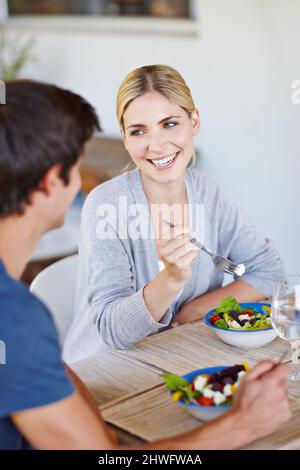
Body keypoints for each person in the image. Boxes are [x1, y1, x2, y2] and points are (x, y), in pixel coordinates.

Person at [0, 80, 291, 451]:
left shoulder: (17, 313)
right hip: (120, 374)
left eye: (170, 124)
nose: (157, 143)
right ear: (51, 182)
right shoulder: (15, 319)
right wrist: (242, 426)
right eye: (77, 161)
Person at [64, 64, 285, 362]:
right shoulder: (107, 204)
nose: (156, 145)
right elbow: (112, 331)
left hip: (179, 358)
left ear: (194, 121)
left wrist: (195, 309)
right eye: (139, 131)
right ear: (125, 137)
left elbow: (269, 272)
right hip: (103, 371)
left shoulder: (208, 192)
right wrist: (169, 280)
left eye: (169, 124)